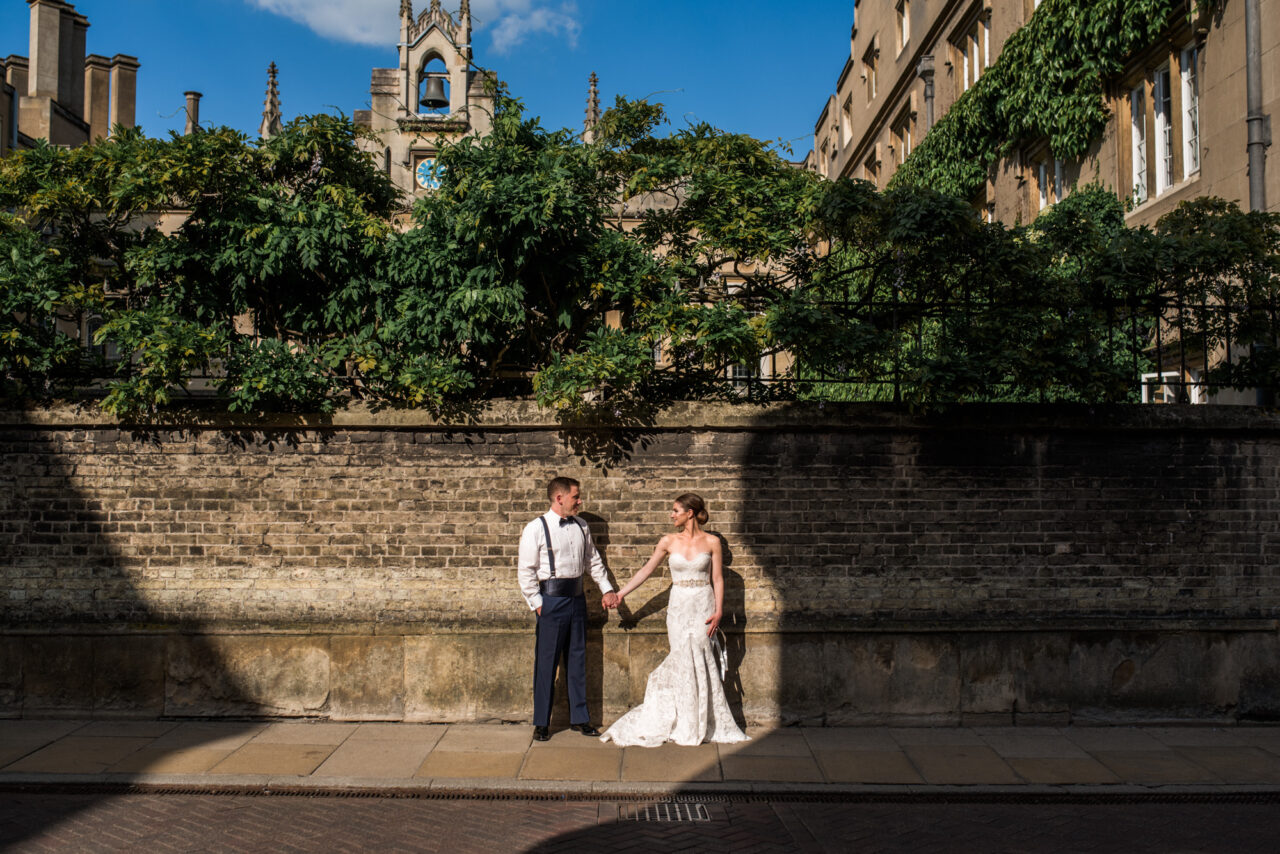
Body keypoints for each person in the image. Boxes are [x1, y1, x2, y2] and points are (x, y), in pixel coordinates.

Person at [599, 493, 749, 747]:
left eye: (675, 510)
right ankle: (682, 720)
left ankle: (702, 721)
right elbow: (646, 570)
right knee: (681, 658)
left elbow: (718, 579)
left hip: (703, 604)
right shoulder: (668, 541)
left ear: (690, 513)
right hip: (679, 606)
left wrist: (720, 610)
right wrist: (621, 593)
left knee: (701, 656)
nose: (671, 515)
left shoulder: (712, 542)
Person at [518, 476, 619, 741]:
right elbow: (525, 571)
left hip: (577, 599)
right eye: (576, 496)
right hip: (550, 600)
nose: (580, 501)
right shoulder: (536, 528)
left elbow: (593, 561)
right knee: (546, 663)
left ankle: (580, 718)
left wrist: (607, 589)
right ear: (559, 498)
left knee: (577, 659)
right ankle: (542, 721)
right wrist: (538, 605)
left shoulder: (582, 526)